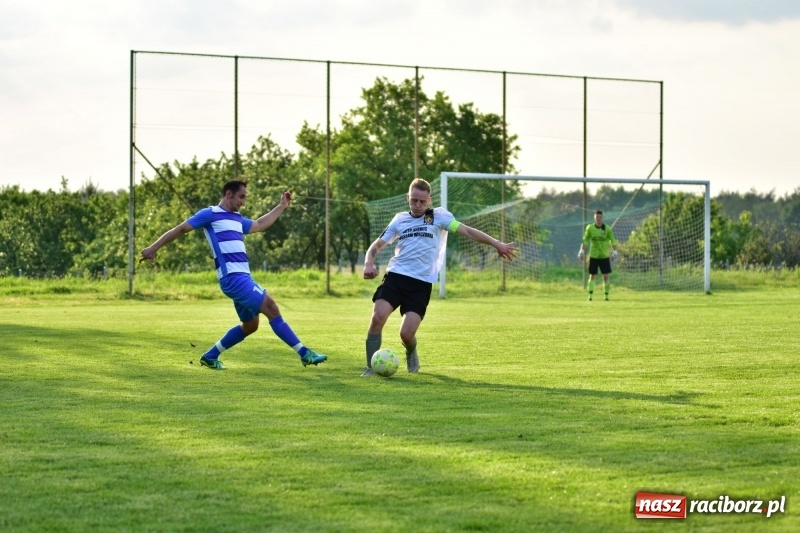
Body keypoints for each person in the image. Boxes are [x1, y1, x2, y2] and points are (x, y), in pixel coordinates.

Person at [140, 180, 327, 370]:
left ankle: (211, 356)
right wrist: (153, 248)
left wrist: (282, 206)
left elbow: (260, 224)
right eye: (241, 197)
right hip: (233, 278)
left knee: (250, 325)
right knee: (271, 307)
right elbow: (180, 229)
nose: (243, 202)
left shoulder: (237, 218)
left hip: (242, 278)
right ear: (229, 194)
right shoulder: (210, 214)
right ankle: (305, 354)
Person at [361, 178, 517, 376]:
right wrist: (368, 263)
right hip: (396, 276)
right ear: (408, 198)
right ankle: (371, 367)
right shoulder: (399, 219)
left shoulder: (439, 216)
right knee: (377, 317)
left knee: (406, 334)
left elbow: (468, 231)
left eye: (422, 201)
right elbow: (376, 245)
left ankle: (411, 350)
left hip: (421, 284)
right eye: (414, 200)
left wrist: (496, 244)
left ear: (429, 201)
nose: (418, 205)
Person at [578, 210, 618, 301]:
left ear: (602, 218)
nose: (598, 219)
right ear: (594, 218)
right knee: (592, 275)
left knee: (606, 276)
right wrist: (581, 251)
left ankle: (606, 296)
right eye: (597, 217)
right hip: (594, 256)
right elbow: (585, 240)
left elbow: (613, 241)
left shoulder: (607, 229)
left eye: (600, 217)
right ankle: (590, 296)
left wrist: (615, 252)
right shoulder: (590, 228)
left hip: (604, 256)